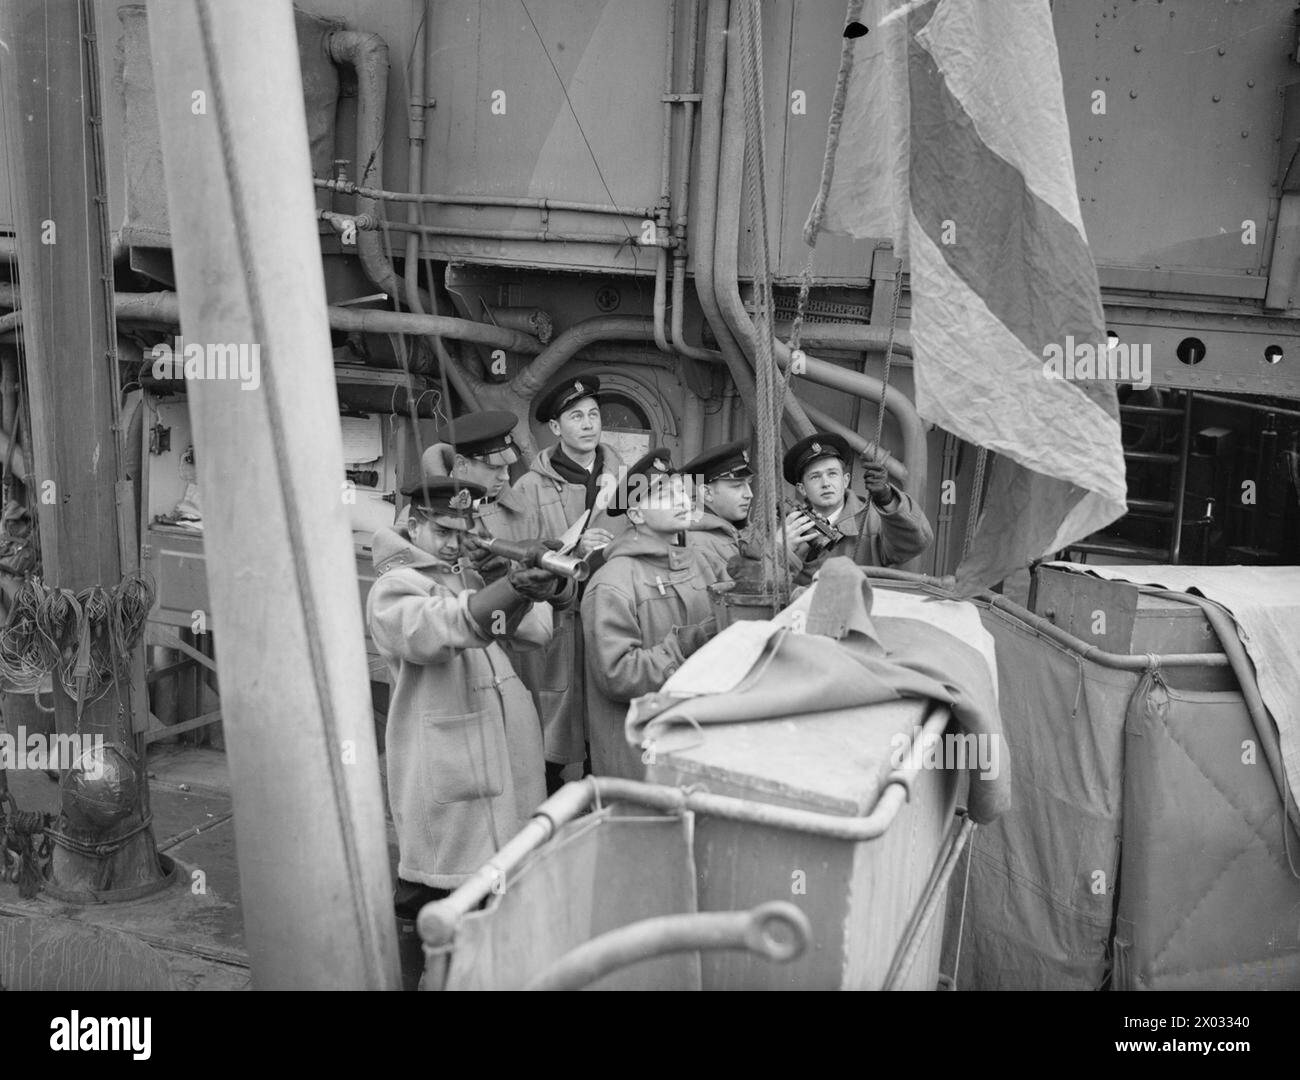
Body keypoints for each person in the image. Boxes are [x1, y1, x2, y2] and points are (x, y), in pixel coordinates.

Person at [367, 475, 563, 920]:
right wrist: (510, 589)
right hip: (448, 770)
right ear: (411, 526)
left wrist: (510, 577)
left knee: (495, 905)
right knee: (437, 901)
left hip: (498, 764)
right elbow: (434, 632)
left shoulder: (466, 576)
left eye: (464, 532)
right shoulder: (394, 587)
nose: (455, 545)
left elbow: (536, 633)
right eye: (442, 532)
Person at [513, 373, 627, 792]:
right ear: (556, 428)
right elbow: (524, 556)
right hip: (557, 618)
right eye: (575, 416)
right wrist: (574, 549)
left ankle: (600, 807)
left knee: (606, 712)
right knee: (553, 717)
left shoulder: (628, 480)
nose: (587, 423)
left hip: (610, 615)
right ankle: (549, 806)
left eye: (594, 414)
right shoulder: (530, 486)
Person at [581, 449, 725, 780]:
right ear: (636, 514)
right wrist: (684, 645)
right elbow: (617, 674)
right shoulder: (613, 582)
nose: (681, 500)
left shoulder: (702, 563)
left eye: (681, 491)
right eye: (664, 494)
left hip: (694, 738)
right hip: (640, 756)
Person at [782, 432, 933, 587]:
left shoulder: (874, 521)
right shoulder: (788, 529)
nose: (825, 483)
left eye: (832, 474)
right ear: (802, 489)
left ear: (845, 480)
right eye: (815, 477)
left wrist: (887, 498)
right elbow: (768, 582)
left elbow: (916, 542)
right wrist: (784, 550)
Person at [681, 439, 754, 575]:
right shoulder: (697, 544)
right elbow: (745, 592)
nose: (749, 494)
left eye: (748, 483)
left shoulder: (743, 530)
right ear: (707, 493)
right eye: (737, 486)